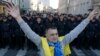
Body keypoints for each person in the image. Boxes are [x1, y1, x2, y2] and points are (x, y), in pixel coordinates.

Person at [5, 3, 100, 56]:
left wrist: (88, 18)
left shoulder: (63, 40)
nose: (55, 36)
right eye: (52, 34)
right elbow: (28, 32)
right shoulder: (41, 42)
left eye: (56, 34)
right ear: (46, 35)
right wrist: (18, 18)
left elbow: (76, 30)